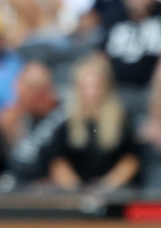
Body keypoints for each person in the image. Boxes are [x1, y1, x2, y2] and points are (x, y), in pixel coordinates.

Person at [41, 53, 140, 190]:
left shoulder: (122, 118)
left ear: (106, 87)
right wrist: (75, 188)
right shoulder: (65, 119)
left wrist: (106, 186)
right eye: (85, 87)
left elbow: (131, 160)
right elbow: (58, 161)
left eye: (95, 86)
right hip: (76, 190)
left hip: (114, 191)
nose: (91, 92)